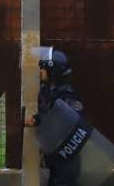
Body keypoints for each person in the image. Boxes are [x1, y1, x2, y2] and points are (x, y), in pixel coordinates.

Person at [23, 49, 84, 186]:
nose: (40, 72)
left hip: (67, 154)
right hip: (56, 153)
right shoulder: (49, 92)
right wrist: (37, 120)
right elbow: (50, 114)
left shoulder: (67, 95)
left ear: (53, 71)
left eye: (43, 69)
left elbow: (68, 121)